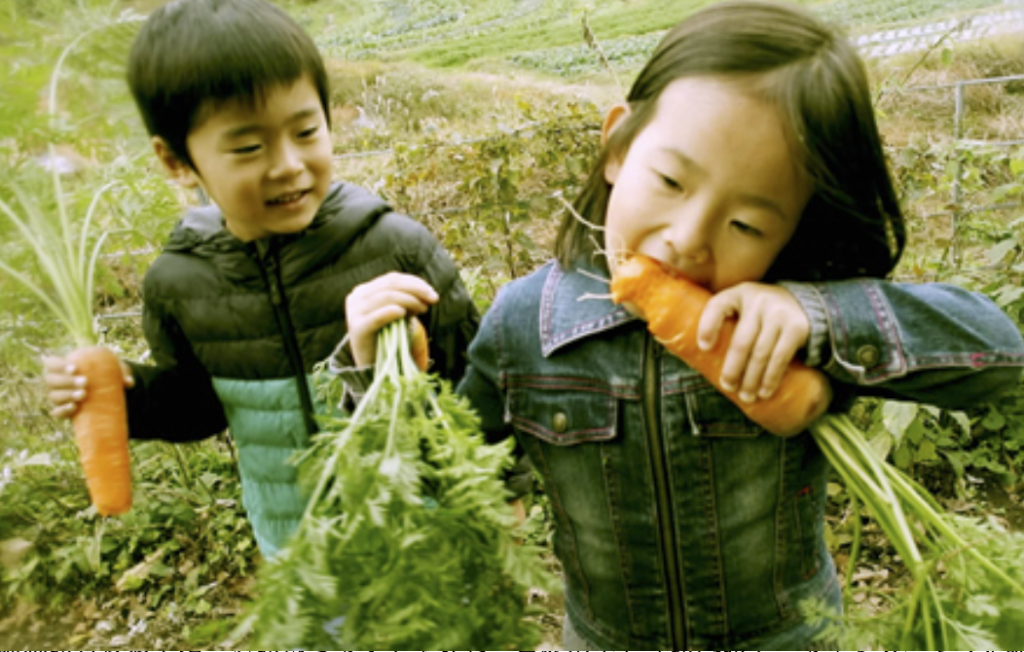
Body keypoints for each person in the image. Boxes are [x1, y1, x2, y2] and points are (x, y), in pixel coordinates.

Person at [341, 1, 1024, 649]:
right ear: (617, 146)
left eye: (747, 224)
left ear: (792, 228)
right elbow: (448, 483)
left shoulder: (785, 320)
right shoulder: (525, 324)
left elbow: (1003, 358)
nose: (688, 240)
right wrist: (381, 381)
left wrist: (820, 317)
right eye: (670, 181)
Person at [41, 0, 479, 558]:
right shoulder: (180, 283)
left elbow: (474, 378)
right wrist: (123, 398)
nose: (288, 164)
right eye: (248, 147)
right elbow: (200, 406)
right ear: (177, 161)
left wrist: (506, 490)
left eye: (305, 130)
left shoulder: (394, 248)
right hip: (297, 558)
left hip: (421, 541)